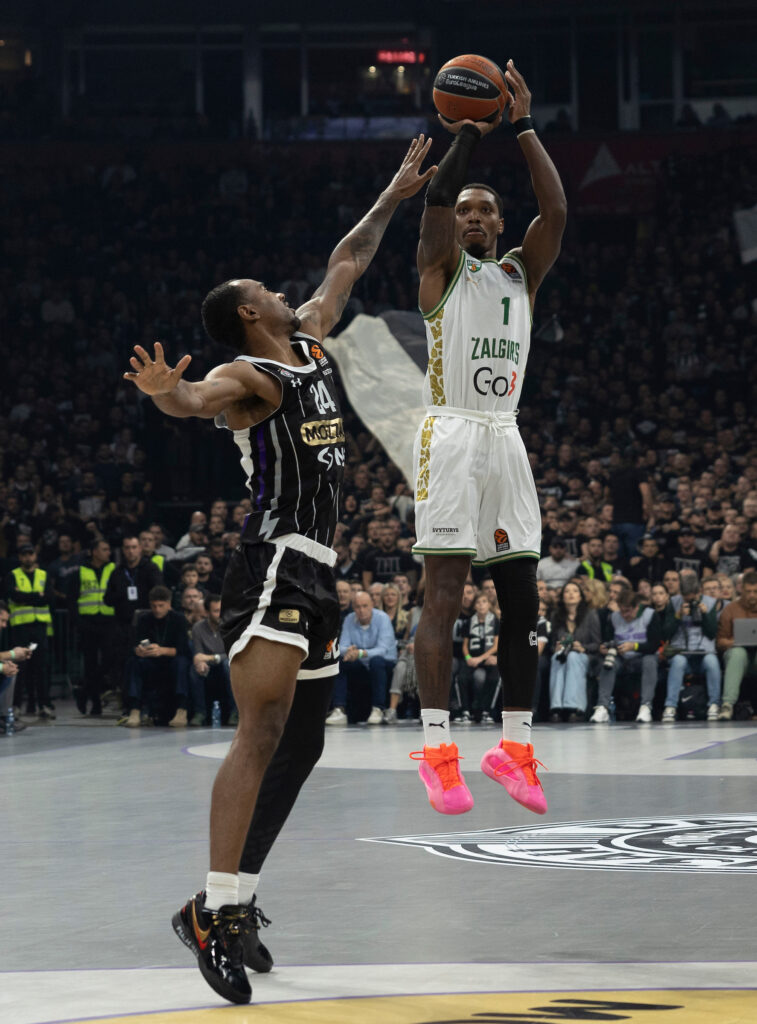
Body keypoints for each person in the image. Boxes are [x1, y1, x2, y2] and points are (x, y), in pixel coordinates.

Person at [124, 136, 435, 1005]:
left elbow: (347, 260)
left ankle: (233, 901)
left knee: (303, 742)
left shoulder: (312, 342)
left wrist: (393, 194)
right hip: (272, 565)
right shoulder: (248, 373)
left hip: (319, 572)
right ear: (250, 312)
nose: (281, 289)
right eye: (265, 288)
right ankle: (213, 912)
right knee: (260, 732)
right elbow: (194, 400)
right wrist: (165, 392)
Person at [409, 59, 566, 816]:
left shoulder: (519, 274)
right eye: (466, 210)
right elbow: (435, 198)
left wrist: (524, 125)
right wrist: (469, 132)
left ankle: (514, 748)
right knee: (443, 594)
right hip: (451, 432)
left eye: (485, 211)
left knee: (521, 599)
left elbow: (555, 211)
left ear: (500, 224)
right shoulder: (439, 270)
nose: (472, 217)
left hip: (505, 436)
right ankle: (438, 753)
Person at [124, 585, 191, 728]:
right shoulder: (144, 619)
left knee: (181, 663)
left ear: (168, 604)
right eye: (154, 606)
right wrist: (139, 650)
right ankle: (135, 710)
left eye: (161, 606)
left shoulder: (179, 619)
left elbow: (183, 649)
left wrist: (162, 650)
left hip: (171, 661)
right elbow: (134, 643)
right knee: (135, 662)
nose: (157, 609)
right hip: (151, 661)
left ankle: (181, 710)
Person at [328, 590, 398, 724]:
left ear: (372, 605)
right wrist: (348, 651)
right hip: (362, 664)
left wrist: (359, 653)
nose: (361, 610)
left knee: (376, 661)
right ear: (353, 607)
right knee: (341, 661)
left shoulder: (382, 618)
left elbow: (382, 650)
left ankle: (378, 709)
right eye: (358, 607)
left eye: (365, 606)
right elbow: (342, 646)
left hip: (385, 663)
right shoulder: (349, 619)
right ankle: (339, 709)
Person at [589, 589, 659, 723]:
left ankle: (646, 706)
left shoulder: (650, 615)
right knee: (608, 663)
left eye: (628, 611)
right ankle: (602, 707)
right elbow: (608, 639)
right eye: (622, 611)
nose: (624, 615)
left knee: (650, 661)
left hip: (642, 656)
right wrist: (605, 648)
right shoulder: (614, 617)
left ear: (637, 607)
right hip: (621, 657)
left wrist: (634, 646)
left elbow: (654, 645)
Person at [661, 569, 721, 723]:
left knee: (712, 662)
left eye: (692, 598)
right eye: (685, 597)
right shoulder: (673, 602)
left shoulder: (710, 602)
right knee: (678, 662)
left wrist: (706, 615)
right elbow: (666, 633)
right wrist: (677, 616)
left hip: (703, 653)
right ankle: (670, 706)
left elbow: (712, 633)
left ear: (699, 591)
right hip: (681, 652)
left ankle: (714, 704)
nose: (688, 600)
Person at [4, 542, 54, 720]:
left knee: (42, 667)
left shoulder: (43, 574)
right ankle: (16, 706)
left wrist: (25, 597)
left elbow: (49, 598)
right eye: (24, 554)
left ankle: (44, 705)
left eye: (30, 554)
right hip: (21, 628)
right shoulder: (12, 575)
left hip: (39, 628)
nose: (28, 557)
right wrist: (36, 596)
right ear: (20, 557)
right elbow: (13, 596)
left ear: (35, 555)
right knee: (19, 668)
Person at [69, 538, 116, 716]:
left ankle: (84, 690)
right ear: (94, 552)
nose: (108, 552)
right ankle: (95, 704)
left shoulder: (114, 570)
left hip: (108, 621)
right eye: (104, 549)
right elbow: (72, 600)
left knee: (110, 659)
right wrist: (78, 622)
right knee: (90, 664)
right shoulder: (80, 572)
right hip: (87, 623)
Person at [548, 581, 600, 722]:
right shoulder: (556, 616)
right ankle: (556, 707)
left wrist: (583, 648)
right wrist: (556, 648)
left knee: (573, 657)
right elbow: (552, 643)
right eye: (567, 591)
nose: (571, 594)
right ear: (562, 597)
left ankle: (575, 707)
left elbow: (597, 644)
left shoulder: (590, 615)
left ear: (580, 597)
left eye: (575, 591)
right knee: (556, 657)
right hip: (563, 654)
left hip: (585, 655)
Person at [716, 569, 757, 719]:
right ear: (741, 590)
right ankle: (727, 705)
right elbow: (720, 641)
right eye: (748, 591)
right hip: (738, 658)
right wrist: (736, 641)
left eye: (755, 591)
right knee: (738, 653)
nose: (752, 595)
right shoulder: (731, 609)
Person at [191, 593, 236, 727]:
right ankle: (200, 713)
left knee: (228, 665)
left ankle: (235, 713)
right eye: (216, 611)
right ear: (207, 612)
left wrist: (212, 657)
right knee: (194, 669)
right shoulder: (198, 628)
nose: (220, 614)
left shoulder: (231, 626)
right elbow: (198, 654)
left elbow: (233, 653)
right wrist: (200, 662)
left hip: (226, 664)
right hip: (209, 667)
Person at [459, 592, 500, 724]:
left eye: (484, 602)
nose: (481, 605)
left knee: (494, 678)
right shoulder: (469, 622)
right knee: (461, 678)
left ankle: (486, 711)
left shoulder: (495, 621)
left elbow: (496, 646)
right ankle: (465, 711)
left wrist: (481, 659)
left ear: (489, 605)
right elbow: (465, 645)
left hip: (487, 658)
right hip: (472, 658)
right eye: (478, 602)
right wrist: (468, 657)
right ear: (474, 606)